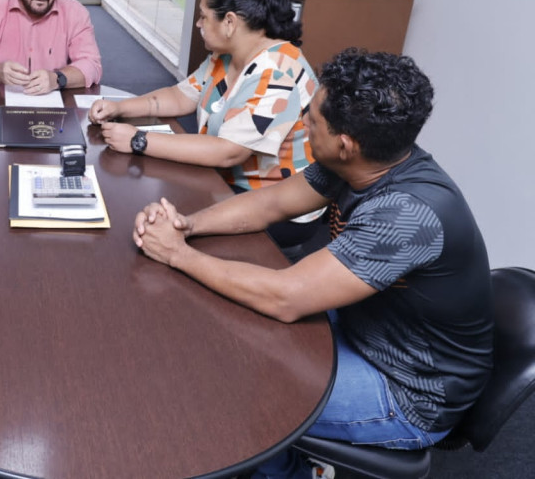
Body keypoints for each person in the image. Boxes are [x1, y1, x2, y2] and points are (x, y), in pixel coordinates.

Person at [132, 50, 493, 478]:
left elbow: (287, 298)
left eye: (312, 121)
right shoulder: (365, 160)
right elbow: (272, 203)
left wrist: (175, 253)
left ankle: (291, 470)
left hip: (407, 391)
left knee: (230, 390)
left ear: (345, 144)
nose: (302, 124)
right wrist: (186, 226)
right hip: (365, 327)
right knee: (222, 334)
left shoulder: (407, 213)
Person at [89, 0, 320, 247]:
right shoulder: (227, 56)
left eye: (204, 16)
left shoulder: (278, 71)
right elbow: (180, 96)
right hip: (228, 183)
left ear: (230, 23)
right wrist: (118, 107)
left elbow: (227, 151)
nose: (199, 24)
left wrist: (138, 139)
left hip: (275, 206)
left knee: (155, 220)